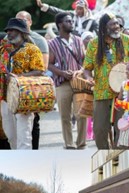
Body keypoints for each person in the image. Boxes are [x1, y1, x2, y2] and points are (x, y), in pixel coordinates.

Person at [82, 13, 129, 149]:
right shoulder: (94, 44)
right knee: (99, 129)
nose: (117, 26)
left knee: (123, 127)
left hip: (124, 92)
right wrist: (89, 77)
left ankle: (121, 158)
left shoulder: (126, 40)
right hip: (102, 92)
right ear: (104, 28)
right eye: (112, 24)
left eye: (117, 24)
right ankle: (105, 156)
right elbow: (87, 68)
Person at [0, 18, 45, 150]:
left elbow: (39, 71)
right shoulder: (3, 50)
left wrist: (18, 77)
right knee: (11, 136)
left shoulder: (32, 49)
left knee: (24, 136)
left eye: (13, 30)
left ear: (22, 32)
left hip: (24, 96)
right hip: (5, 97)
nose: (9, 33)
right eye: (8, 30)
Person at [48, 12, 87, 150]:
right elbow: (49, 64)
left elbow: (85, 61)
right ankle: (69, 145)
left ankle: (81, 144)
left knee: (82, 114)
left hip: (79, 83)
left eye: (72, 21)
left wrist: (80, 72)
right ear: (60, 24)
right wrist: (62, 73)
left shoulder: (78, 40)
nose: (72, 23)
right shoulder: (52, 43)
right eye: (68, 21)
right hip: (62, 84)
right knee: (65, 116)